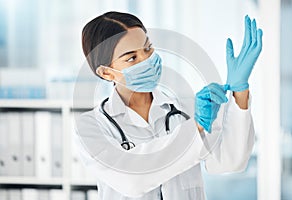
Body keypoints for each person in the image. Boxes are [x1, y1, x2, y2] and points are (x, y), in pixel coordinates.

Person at [75, 11, 263, 200]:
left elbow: (229, 161)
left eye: (148, 49)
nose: (147, 60)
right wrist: (196, 127)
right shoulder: (91, 127)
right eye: (132, 58)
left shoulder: (186, 109)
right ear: (107, 73)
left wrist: (239, 93)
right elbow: (132, 180)